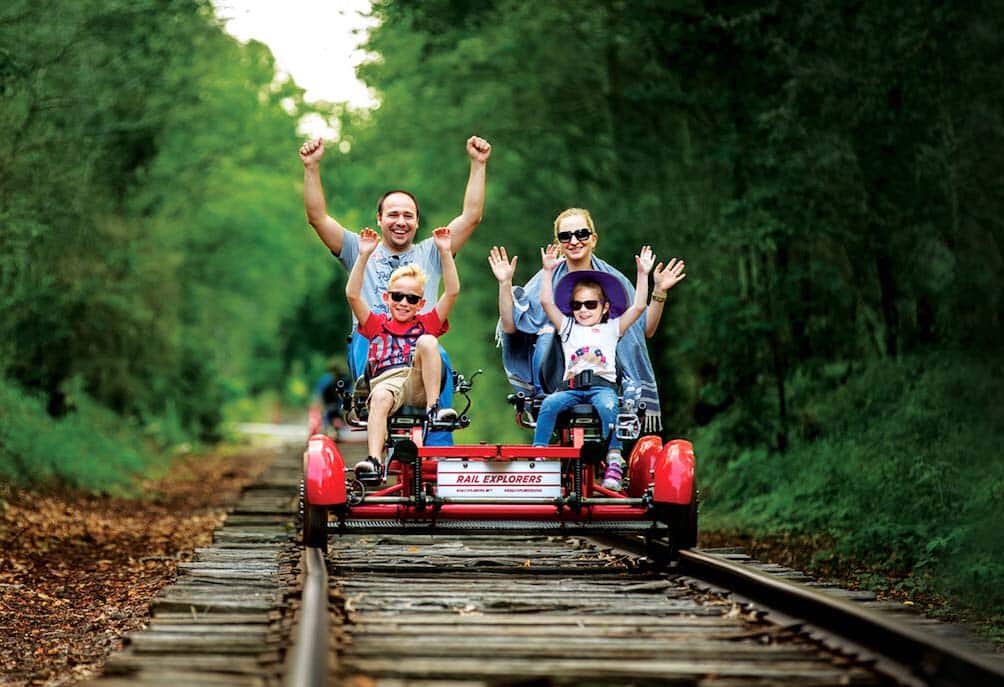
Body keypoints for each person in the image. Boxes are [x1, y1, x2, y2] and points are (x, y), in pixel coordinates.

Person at [492, 207, 686, 437]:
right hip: (559, 377)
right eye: (566, 236)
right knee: (545, 332)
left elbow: (643, 329)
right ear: (559, 243)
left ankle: (612, 454)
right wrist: (505, 284)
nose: (574, 241)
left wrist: (659, 291)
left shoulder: (613, 281)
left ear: (593, 239)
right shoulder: (547, 278)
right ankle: (543, 425)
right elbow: (512, 325)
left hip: (605, 377)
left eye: (581, 234)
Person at [346, 226, 460, 480]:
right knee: (380, 398)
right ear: (387, 297)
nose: (403, 303)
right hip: (387, 383)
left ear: (421, 303)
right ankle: (375, 461)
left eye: (411, 299)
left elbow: (452, 292)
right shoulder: (376, 325)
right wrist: (363, 256)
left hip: (418, 383)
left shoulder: (426, 323)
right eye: (398, 296)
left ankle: (434, 409)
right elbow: (352, 294)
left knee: (429, 342)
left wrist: (444, 252)